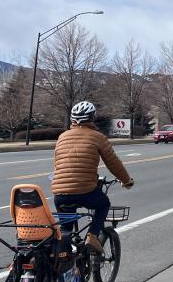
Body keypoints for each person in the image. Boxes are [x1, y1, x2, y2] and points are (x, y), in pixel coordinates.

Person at [51, 100, 135, 254]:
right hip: (85, 191)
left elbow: (57, 164)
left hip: (60, 194)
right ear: (92, 118)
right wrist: (126, 180)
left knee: (66, 229)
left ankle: (64, 259)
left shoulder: (62, 137)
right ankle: (92, 236)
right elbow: (113, 163)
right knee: (103, 204)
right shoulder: (97, 137)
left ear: (72, 119)